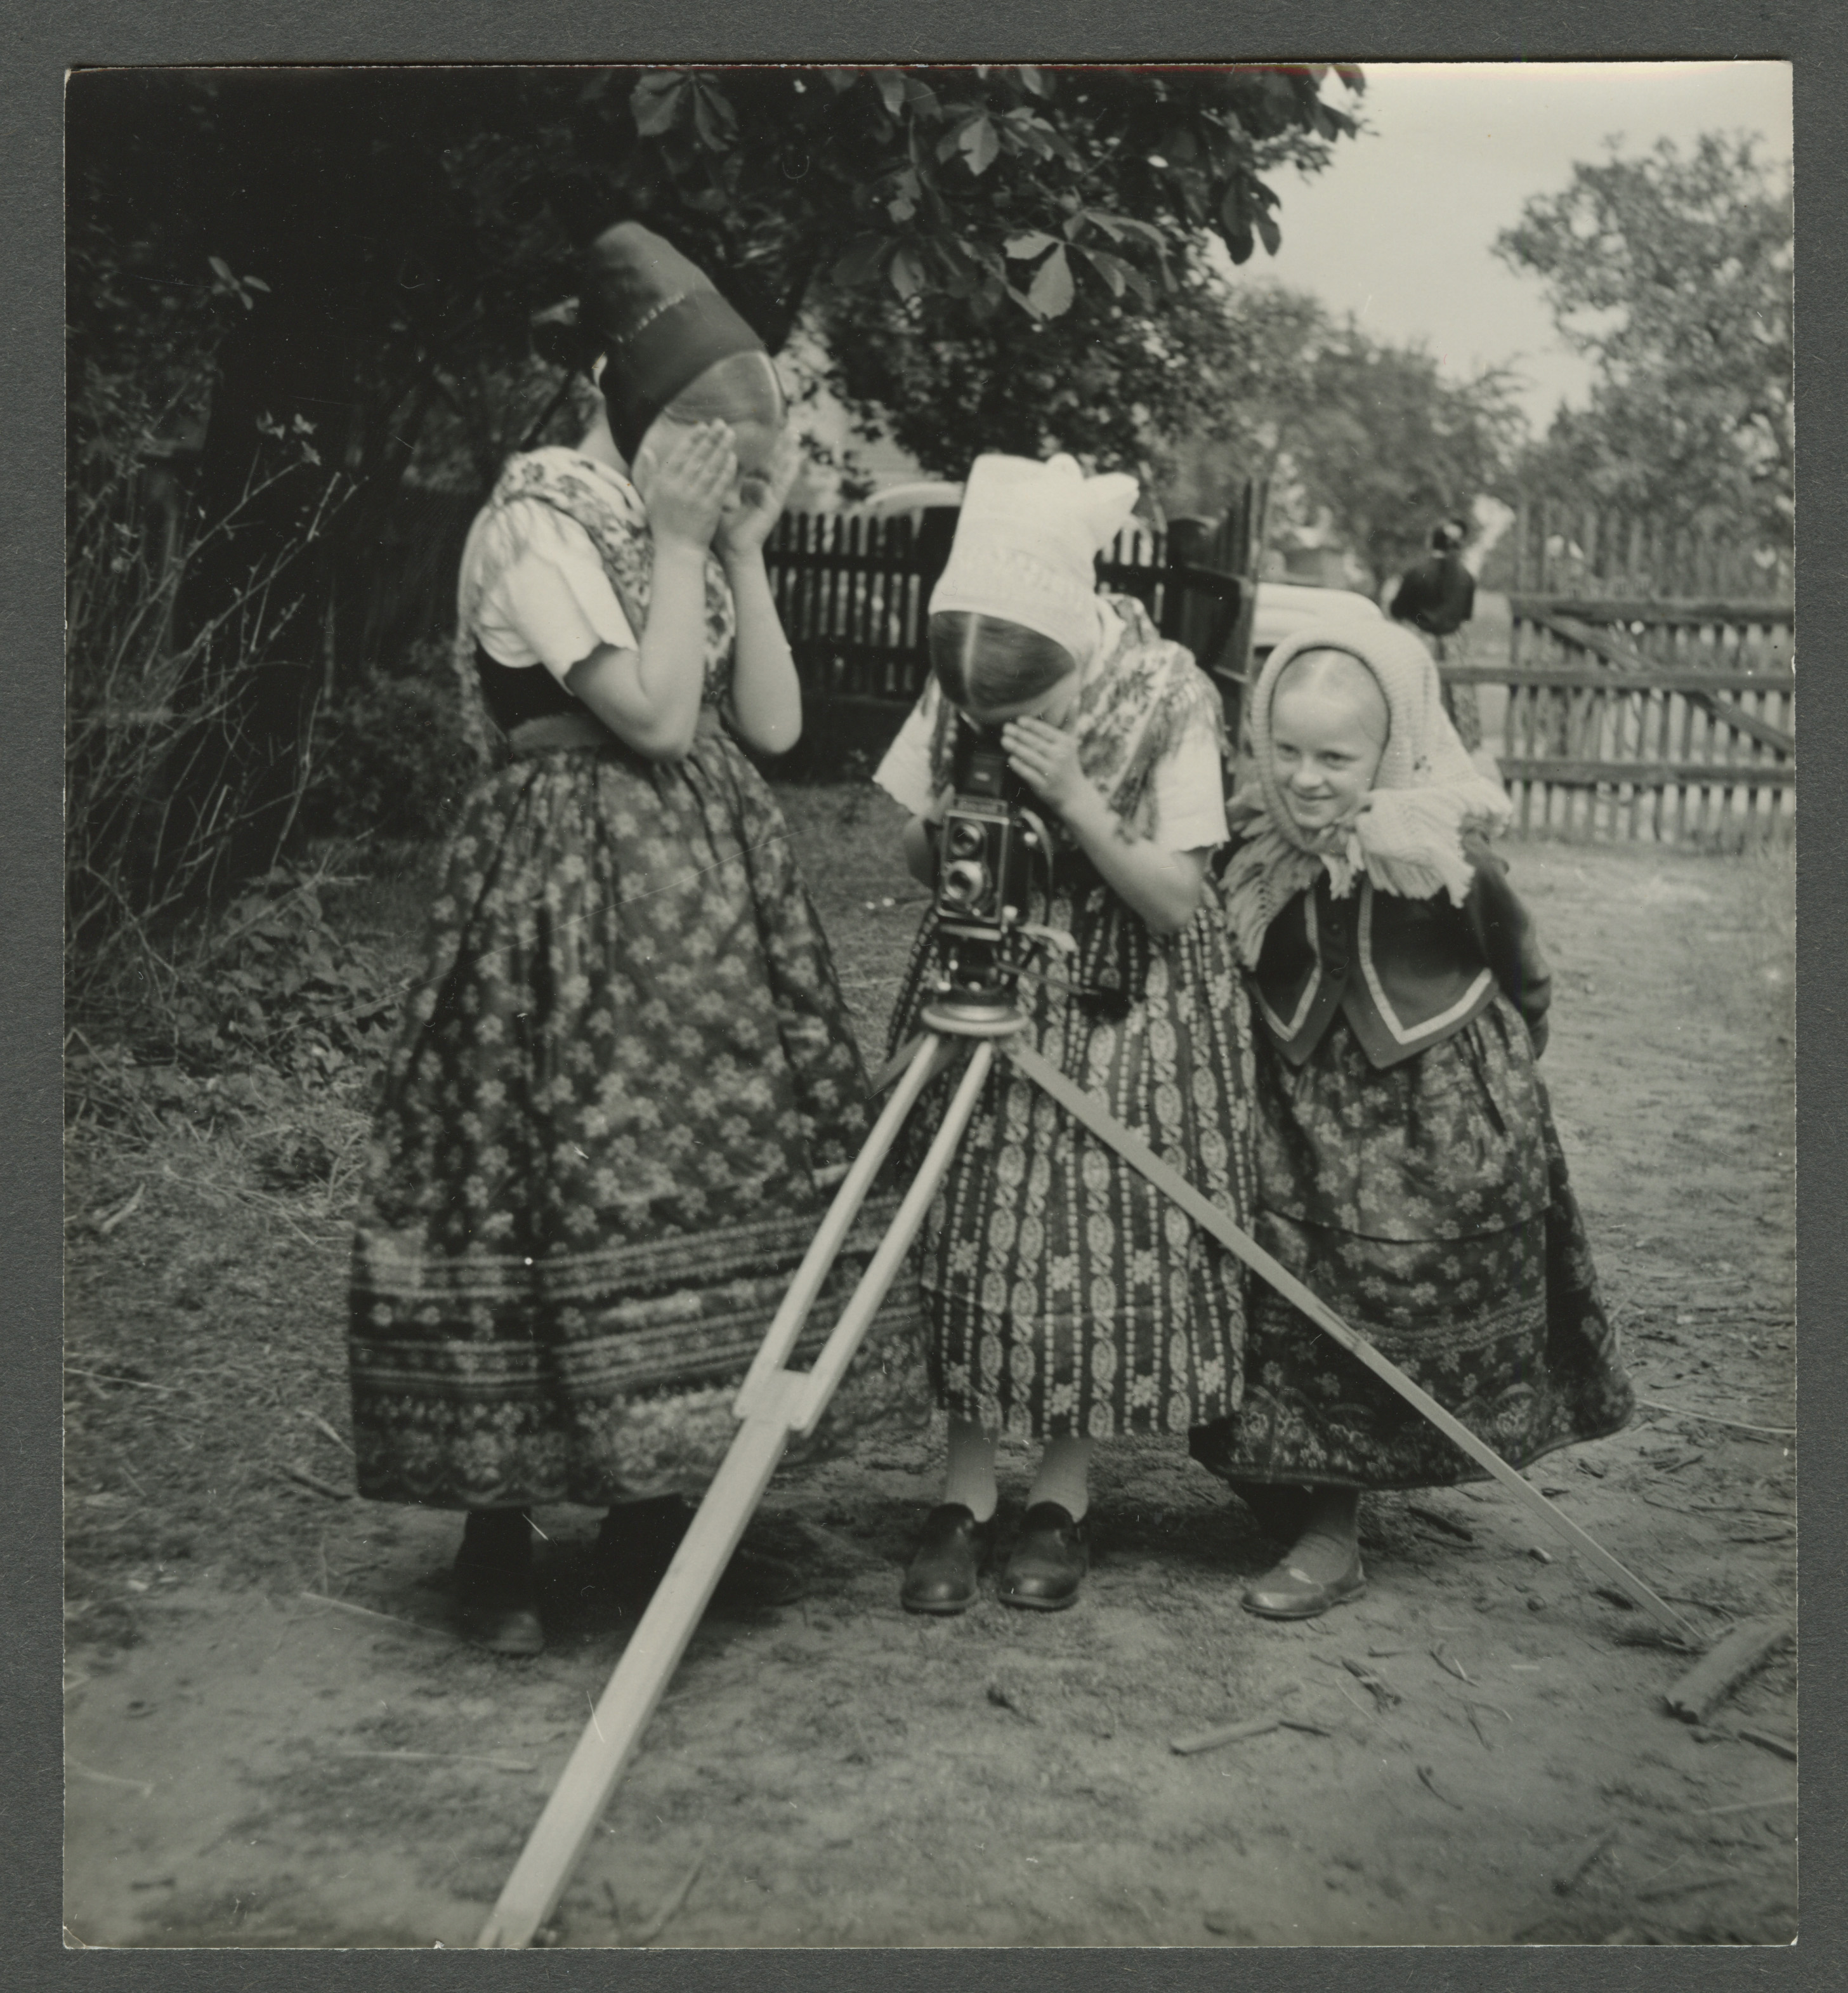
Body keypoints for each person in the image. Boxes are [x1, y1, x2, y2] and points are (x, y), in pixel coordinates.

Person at [348, 221, 900, 1655]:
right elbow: (650, 714)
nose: (721, 449)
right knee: (524, 1178)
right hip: (558, 896)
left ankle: (654, 1496)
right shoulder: (539, 510)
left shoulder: (681, 516)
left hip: (706, 907)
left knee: (685, 1180)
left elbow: (766, 728)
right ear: (625, 392)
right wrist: (666, 539)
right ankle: (498, 1530)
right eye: (703, 423)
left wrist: (743, 556)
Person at [873, 452, 1255, 1615]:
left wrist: (1082, 802)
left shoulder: (1166, 692)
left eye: (1023, 714)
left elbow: (1180, 900)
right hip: (980, 978)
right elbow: (909, 846)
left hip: (1113, 1008)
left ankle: (1063, 1496)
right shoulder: (972, 662)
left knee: (1085, 1251)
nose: (1001, 724)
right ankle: (965, 1491)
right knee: (969, 1236)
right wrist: (954, 828)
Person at [1189, 620, 1633, 1618]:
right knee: (1284, 1279)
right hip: (1293, 1095)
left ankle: (1332, 1527)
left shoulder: (1438, 847)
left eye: (1335, 758)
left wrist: (1500, 1079)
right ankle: (1300, 1489)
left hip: (1422, 1098)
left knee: (1381, 1283)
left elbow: (1518, 963)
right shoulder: (1258, 848)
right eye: (1287, 752)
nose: (1307, 779)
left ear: (1387, 752)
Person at [1391, 518, 1482, 752]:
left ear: (1432, 542)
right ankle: (1459, 747)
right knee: (1456, 697)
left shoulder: (1416, 573)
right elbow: (1465, 615)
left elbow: (1398, 610)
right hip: (1453, 646)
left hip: (1420, 642)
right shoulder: (1467, 577)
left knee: (1417, 693)